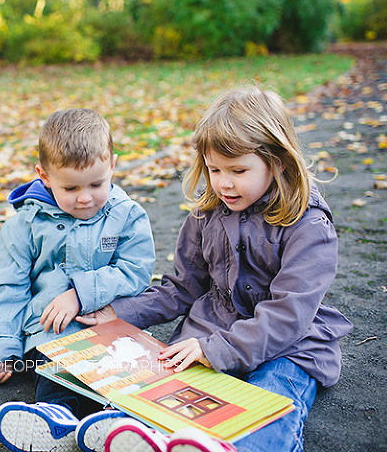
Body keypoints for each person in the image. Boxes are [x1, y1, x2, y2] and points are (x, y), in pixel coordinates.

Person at [77, 87, 353, 452]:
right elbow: (182, 287)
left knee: (270, 402)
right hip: (211, 329)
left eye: (238, 170)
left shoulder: (308, 226)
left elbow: (289, 315)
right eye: (214, 169)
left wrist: (216, 350)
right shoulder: (207, 214)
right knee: (163, 389)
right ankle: (123, 433)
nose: (224, 182)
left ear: (279, 161)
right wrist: (119, 313)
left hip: (291, 346)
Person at [0, 108, 157, 452]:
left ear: (113, 167)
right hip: (52, 333)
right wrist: (0, 349)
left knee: (128, 367)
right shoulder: (24, 226)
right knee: (58, 373)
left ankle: (120, 423)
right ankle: (54, 420)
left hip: (109, 324)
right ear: (43, 176)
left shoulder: (126, 214)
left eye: (96, 183)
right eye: (71, 187)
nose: (85, 197)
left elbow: (135, 270)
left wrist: (80, 295)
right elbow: (6, 290)